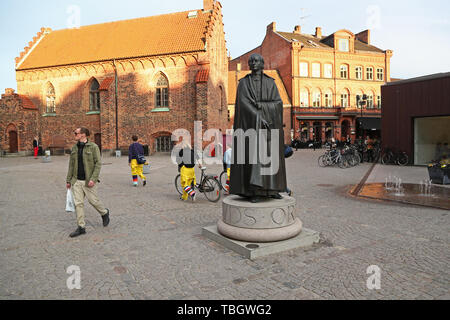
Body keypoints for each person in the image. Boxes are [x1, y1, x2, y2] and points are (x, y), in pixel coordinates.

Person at [229, 53, 287, 203]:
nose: (254, 63)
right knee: (253, 158)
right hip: (250, 128)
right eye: (251, 61)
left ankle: (272, 190)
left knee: (271, 157)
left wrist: (262, 107)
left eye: (257, 61)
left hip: (269, 126)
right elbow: (243, 104)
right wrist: (258, 116)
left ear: (262, 64)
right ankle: (253, 191)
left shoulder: (270, 82)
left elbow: (278, 103)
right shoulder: (243, 83)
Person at [66, 127, 110, 238]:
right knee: (78, 204)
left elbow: (98, 164)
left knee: (93, 201)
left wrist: (93, 179)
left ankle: (104, 213)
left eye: (76, 133)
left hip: (89, 181)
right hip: (76, 181)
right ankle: (81, 227)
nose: (74, 134)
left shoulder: (94, 147)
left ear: (83, 134)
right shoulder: (74, 148)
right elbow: (71, 165)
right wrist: (68, 180)